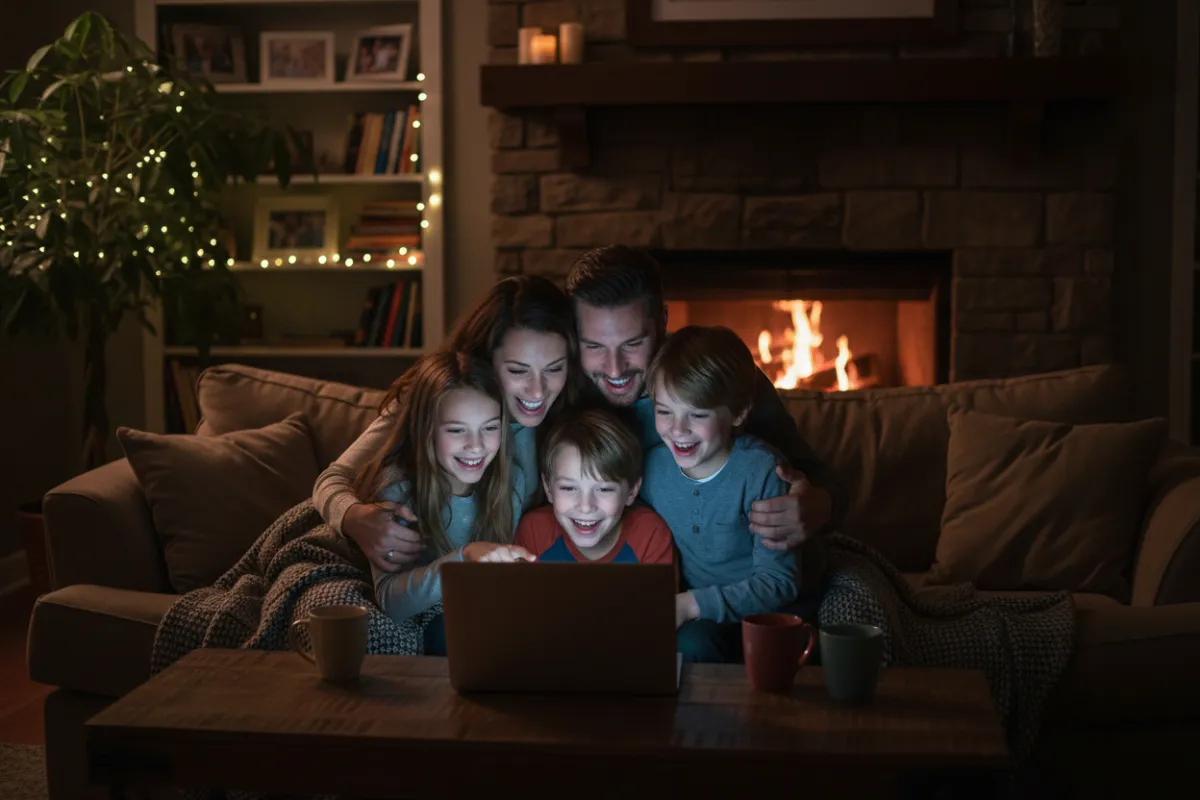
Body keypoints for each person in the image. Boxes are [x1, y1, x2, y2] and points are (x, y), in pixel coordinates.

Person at [565, 245, 848, 551]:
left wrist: (816, 507)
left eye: (633, 343)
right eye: (594, 346)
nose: (615, 368)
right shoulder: (561, 390)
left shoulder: (714, 373)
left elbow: (822, 480)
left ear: (662, 320)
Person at [313, 275, 581, 573]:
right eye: (518, 371)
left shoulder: (566, 418)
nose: (538, 391)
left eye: (554, 369)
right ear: (485, 360)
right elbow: (332, 479)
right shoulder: (438, 400)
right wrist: (356, 518)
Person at [638, 326, 800, 663]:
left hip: (771, 611)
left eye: (697, 414)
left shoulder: (762, 472)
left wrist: (690, 603)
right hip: (705, 618)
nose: (678, 429)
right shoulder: (652, 469)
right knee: (689, 646)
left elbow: (780, 582)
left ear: (738, 413)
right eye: (665, 411)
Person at [358, 351, 536, 655]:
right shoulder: (398, 493)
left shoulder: (512, 482)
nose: (476, 446)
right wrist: (463, 560)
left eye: (490, 427)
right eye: (456, 430)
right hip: (430, 621)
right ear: (426, 429)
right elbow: (390, 601)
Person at [515, 408, 676, 577]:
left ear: (631, 491)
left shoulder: (649, 536)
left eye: (604, 489)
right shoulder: (534, 532)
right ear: (548, 488)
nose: (586, 506)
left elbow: (658, 603)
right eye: (569, 488)